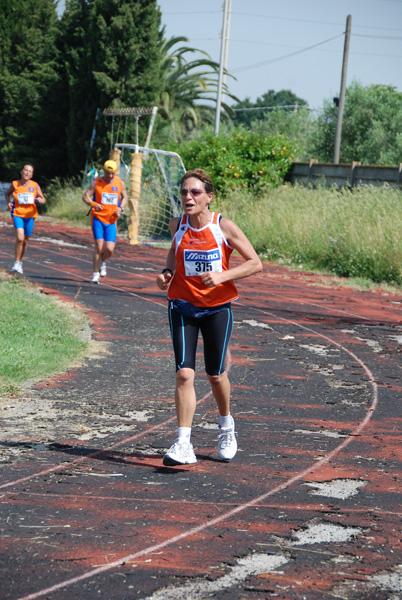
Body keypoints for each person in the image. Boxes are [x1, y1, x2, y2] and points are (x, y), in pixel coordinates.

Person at [156, 169, 262, 466]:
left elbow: (255, 263)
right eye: (184, 192)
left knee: (215, 375)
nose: (188, 197)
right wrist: (166, 274)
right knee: (184, 373)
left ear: (209, 196)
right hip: (181, 306)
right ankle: (183, 443)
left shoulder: (223, 227)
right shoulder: (177, 224)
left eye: (195, 192)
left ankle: (226, 427)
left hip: (217, 308)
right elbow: (172, 255)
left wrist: (222, 276)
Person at [82, 159, 128, 283]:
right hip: (98, 218)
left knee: (109, 249)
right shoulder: (96, 182)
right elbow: (85, 196)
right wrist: (92, 203)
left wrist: (121, 208)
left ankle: (102, 261)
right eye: (108, 173)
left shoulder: (120, 183)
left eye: (113, 173)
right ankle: (95, 274)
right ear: (104, 171)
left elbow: (125, 197)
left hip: (111, 220)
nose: (110, 176)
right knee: (98, 246)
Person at [5, 164, 46, 275]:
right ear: (21, 171)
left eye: (30, 171)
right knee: (20, 238)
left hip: (30, 216)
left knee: (25, 241)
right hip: (17, 214)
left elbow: (43, 199)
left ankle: (20, 262)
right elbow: (7, 194)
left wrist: (40, 200)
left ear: (32, 174)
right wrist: (8, 202)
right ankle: (16, 263)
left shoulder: (35, 185)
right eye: (26, 170)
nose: (27, 172)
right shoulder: (15, 184)